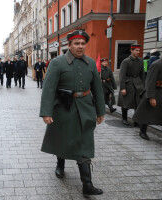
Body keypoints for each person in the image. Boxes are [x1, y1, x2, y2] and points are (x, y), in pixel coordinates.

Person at [40, 30, 105, 196]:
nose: (80, 46)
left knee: (84, 143)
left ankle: (87, 184)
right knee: (63, 139)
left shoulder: (90, 63)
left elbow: (97, 89)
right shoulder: (57, 63)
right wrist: (46, 112)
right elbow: (48, 88)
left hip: (86, 108)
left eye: (83, 43)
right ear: (69, 45)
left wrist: (100, 111)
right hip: (63, 108)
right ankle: (60, 164)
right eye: (76, 43)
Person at [133, 43, 162, 140]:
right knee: (148, 112)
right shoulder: (157, 64)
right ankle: (142, 131)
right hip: (157, 93)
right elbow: (150, 81)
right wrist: (151, 96)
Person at [117, 44, 145, 126]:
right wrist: (122, 88)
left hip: (138, 84)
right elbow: (122, 75)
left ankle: (136, 120)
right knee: (126, 102)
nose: (138, 52)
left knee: (138, 103)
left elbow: (142, 74)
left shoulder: (141, 60)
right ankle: (124, 118)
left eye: (139, 50)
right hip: (128, 83)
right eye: (136, 50)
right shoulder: (126, 61)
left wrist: (144, 86)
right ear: (131, 51)